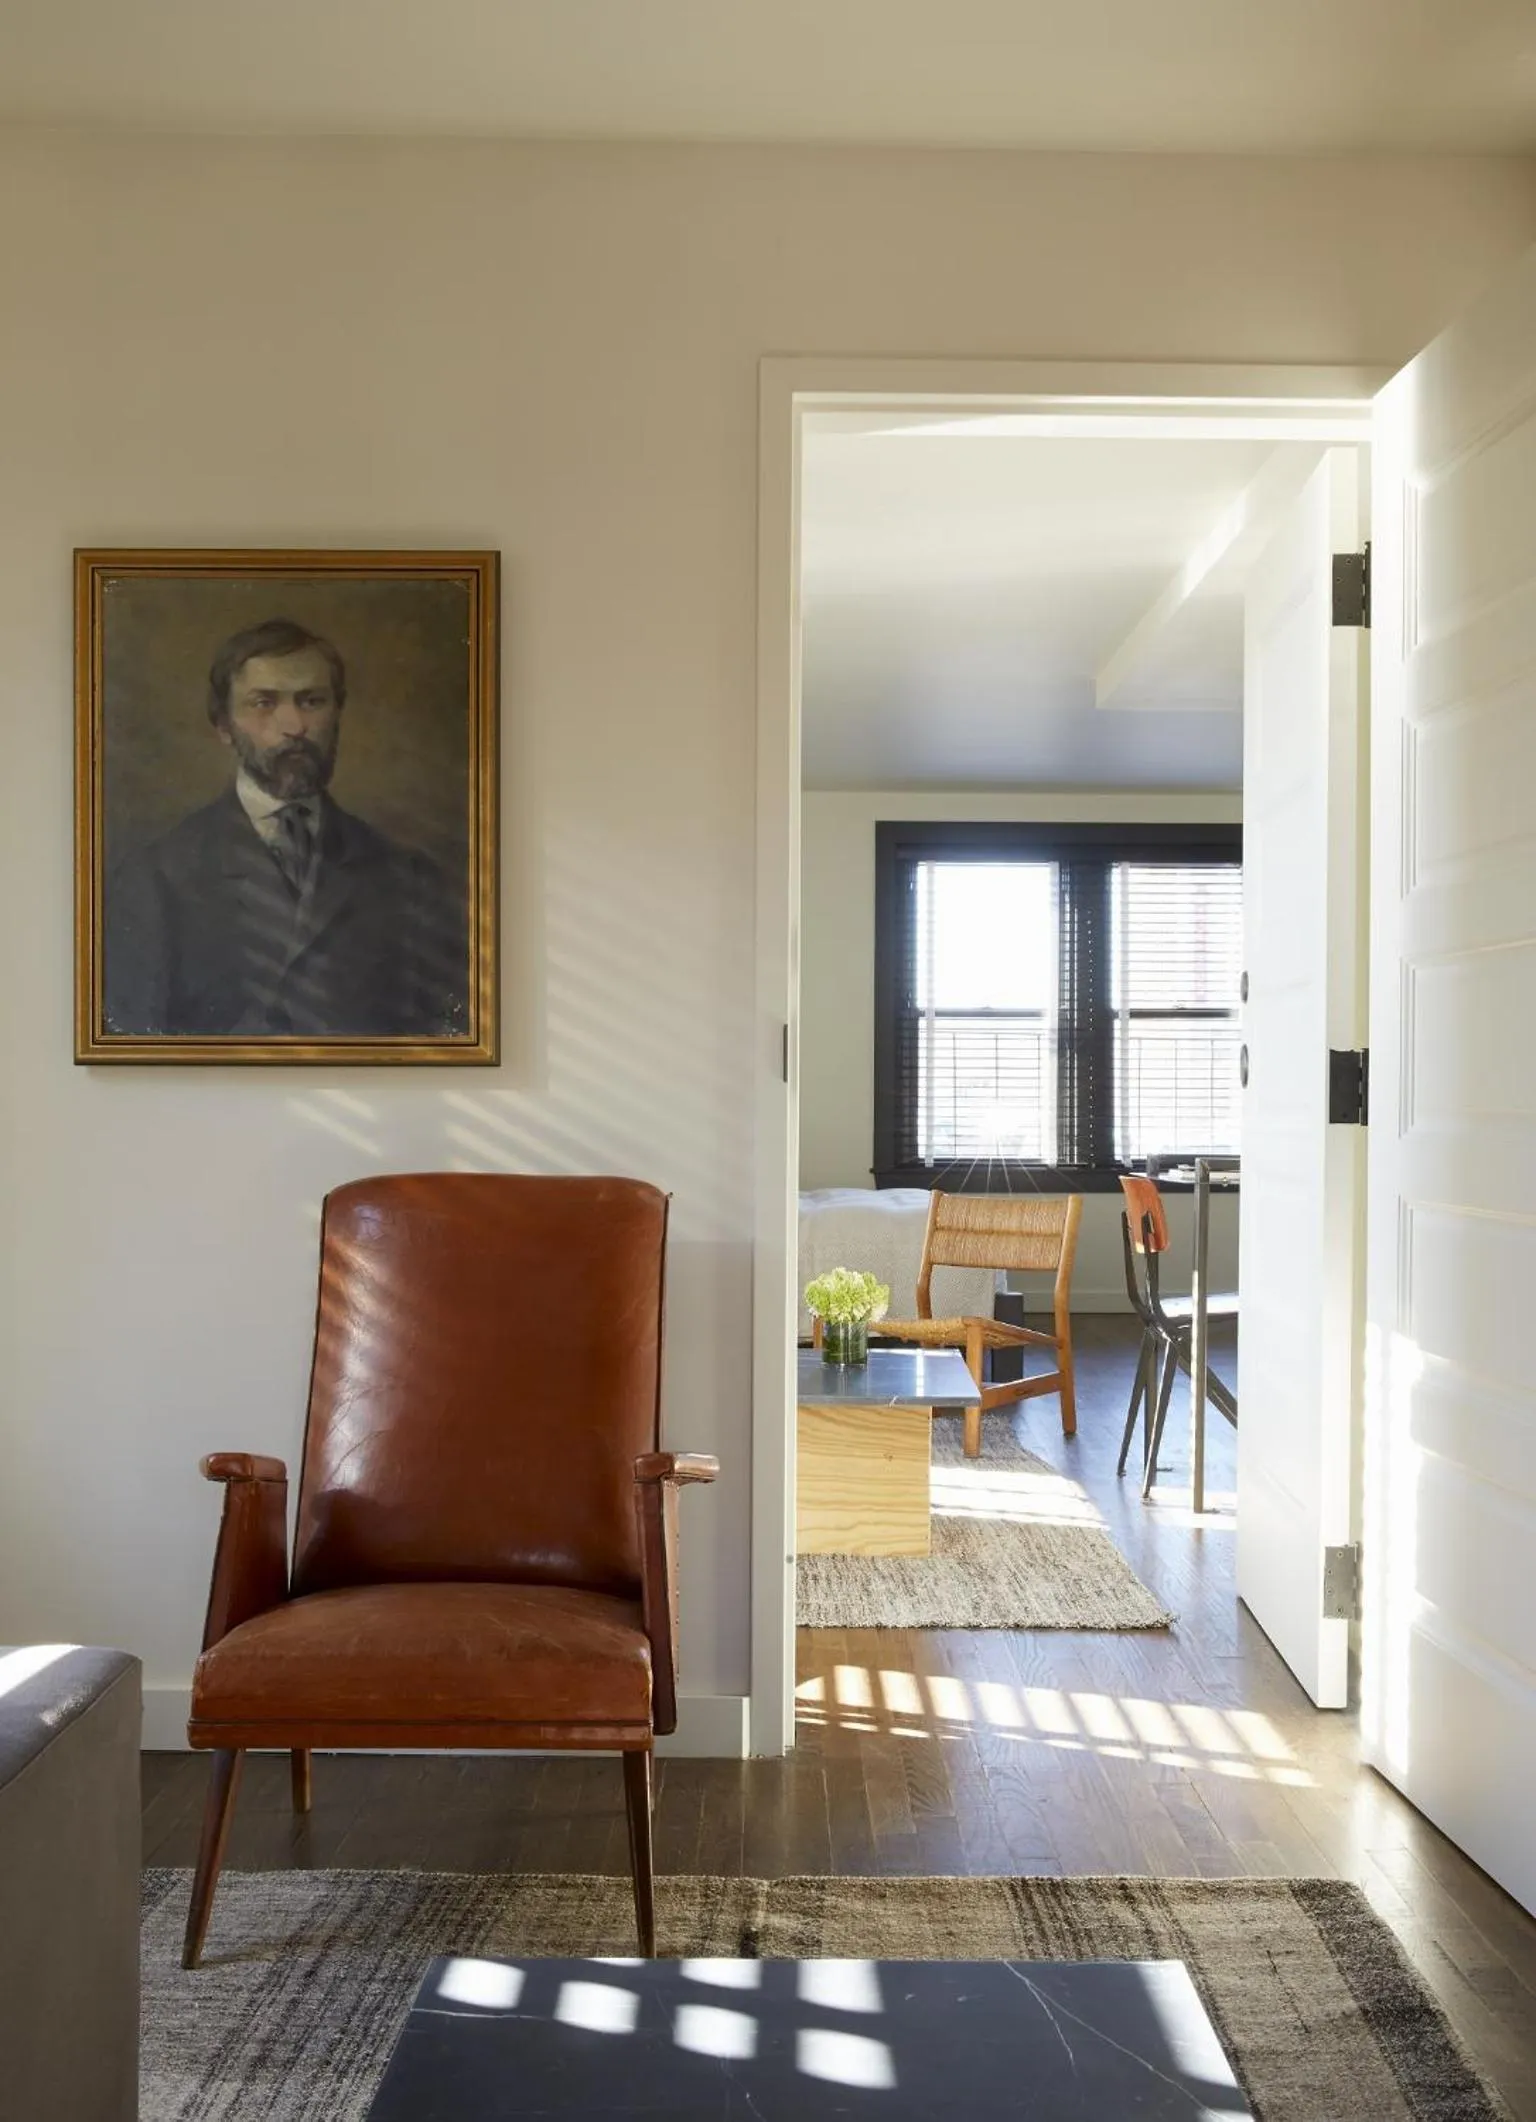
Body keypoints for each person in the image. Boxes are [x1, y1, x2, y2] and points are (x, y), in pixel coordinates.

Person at [103, 617, 468, 1039]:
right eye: (264, 703)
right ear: (223, 725)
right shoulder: (156, 877)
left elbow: (447, 1040)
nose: (293, 726)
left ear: (338, 712)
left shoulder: (408, 878)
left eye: (312, 701)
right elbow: (133, 1050)